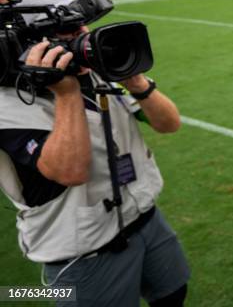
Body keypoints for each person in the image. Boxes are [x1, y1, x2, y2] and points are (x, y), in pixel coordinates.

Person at [0, 18, 189, 306]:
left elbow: (169, 123)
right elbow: (70, 171)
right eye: (68, 33)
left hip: (145, 215)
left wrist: (134, 79)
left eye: (81, 27)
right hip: (82, 250)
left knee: (173, 294)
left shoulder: (101, 73)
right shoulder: (8, 105)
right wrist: (67, 92)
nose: (84, 36)